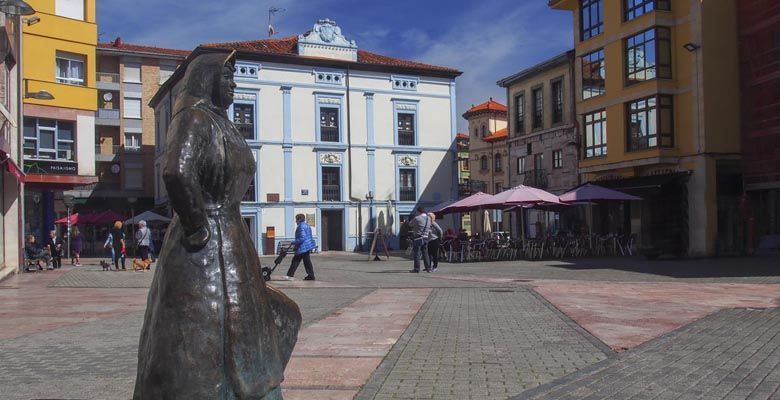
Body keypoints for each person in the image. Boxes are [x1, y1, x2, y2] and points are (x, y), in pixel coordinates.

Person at [134, 52, 300, 400]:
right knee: (203, 334)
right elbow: (176, 171)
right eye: (226, 76)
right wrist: (198, 227)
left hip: (233, 239)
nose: (233, 84)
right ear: (207, 80)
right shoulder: (193, 118)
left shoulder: (222, 123)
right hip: (205, 246)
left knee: (262, 322)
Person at [286, 214, 317, 280]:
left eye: (296, 219)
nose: (296, 221)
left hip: (302, 246)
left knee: (296, 260)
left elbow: (302, 238)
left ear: (299, 219)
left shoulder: (301, 226)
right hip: (307, 246)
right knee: (306, 261)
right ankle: (311, 275)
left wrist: (294, 242)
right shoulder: (307, 225)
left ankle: (290, 275)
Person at [408, 206, 432, 273]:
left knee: (417, 253)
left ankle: (416, 269)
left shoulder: (417, 218)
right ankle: (428, 268)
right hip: (426, 237)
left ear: (418, 211)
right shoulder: (429, 218)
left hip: (418, 237)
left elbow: (410, 224)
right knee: (425, 253)